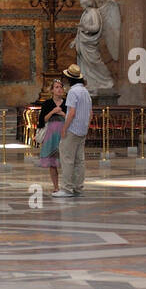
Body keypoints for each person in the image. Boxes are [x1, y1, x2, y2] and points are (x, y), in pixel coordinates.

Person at [53, 64, 92, 198]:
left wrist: (64, 128)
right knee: (79, 160)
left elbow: (71, 112)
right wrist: (86, 126)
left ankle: (66, 188)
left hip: (72, 129)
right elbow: (90, 113)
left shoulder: (73, 92)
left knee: (67, 158)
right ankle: (78, 187)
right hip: (82, 130)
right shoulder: (86, 92)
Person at [36, 81, 67, 193]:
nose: (59, 89)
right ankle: (56, 186)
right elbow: (42, 120)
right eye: (56, 87)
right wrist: (53, 111)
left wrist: (62, 114)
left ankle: (67, 185)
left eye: (61, 87)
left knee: (66, 160)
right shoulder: (47, 103)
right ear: (52, 90)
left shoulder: (67, 103)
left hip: (64, 133)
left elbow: (71, 117)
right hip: (51, 135)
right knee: (53, 162)